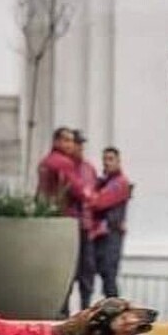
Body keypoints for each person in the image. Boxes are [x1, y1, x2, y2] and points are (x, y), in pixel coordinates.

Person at [86, 147, 132, 300]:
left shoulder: (120, 182)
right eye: (104, 159)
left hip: (112, 233)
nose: (107, 163)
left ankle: (114, 307)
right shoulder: (104, 182)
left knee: (109, 274)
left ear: (118, 161)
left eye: (111, 159)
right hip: (100, 234)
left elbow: (99, 202)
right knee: (98, 272)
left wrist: (91, 197)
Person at [70, 130, 99, 311]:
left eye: (81, 144)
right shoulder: (65, 167)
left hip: (87, 227)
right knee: (67, 271)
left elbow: (96, 194)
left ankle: (86, 308)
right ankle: (62, 311)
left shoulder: (89, 169)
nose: (79, 147)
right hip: (70, 226)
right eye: (76, 143)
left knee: (87, 269)